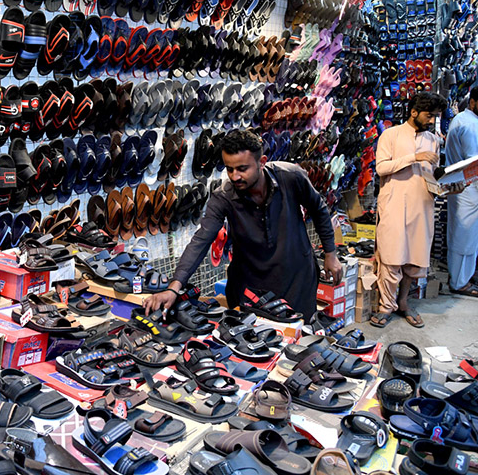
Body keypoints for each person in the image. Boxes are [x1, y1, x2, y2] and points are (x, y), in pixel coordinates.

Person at [143, 129, 342, 320]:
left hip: (296, 278)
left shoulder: (290, 176)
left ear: (261, 162)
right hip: (250, 285)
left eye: (242, 169)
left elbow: (319, 209)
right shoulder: (224, 197)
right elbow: (201, 240)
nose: (234, 176)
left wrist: (330, 253)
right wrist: (174, 287)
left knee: (299, 335)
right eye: (229, 169)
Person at [370, 92, 447, 329]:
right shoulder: (391, 135)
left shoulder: (433, 140)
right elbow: (382, 168)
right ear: (414, 112)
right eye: (429, 115)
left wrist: (449, 183)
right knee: (391, 256)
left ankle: (403, 302)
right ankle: (386, 306)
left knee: (414, 257)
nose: (432, 120)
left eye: (435, 116)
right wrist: (414, 157)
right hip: (394, 203)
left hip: (422, 204)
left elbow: (431, 174)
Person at [445, 87, 478, 297]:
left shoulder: (468, 121)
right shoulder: (467, 123)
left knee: (469, 235)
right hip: (466, 186)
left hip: (467, 185)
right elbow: (473, 159)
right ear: (473, 102)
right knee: (463, 235)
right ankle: (459, 282)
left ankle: (464, 277)